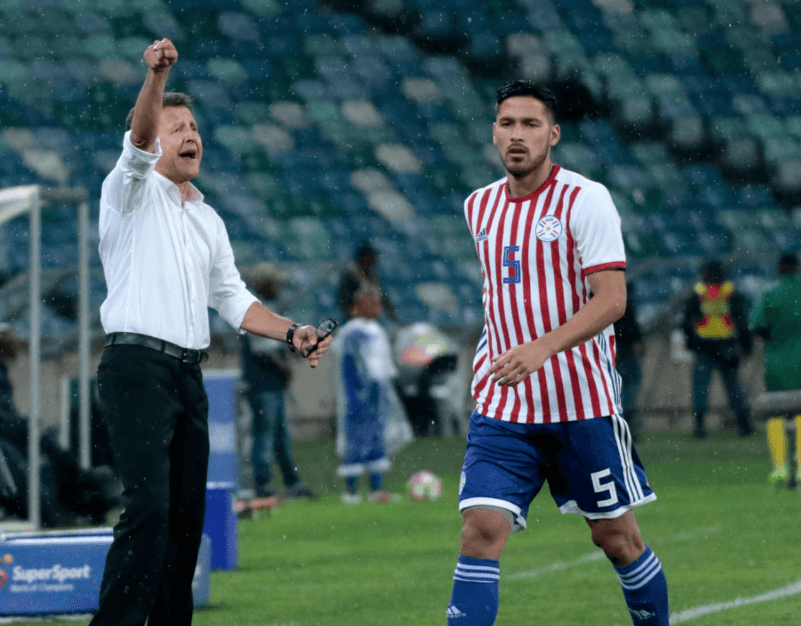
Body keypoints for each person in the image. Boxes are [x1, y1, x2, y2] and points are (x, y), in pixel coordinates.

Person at [92, 39, 332, 626]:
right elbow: (138, 142)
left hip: (187, 375)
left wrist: (292, 332)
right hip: (135, 369)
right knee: (148, 510)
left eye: (194, 126)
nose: (190, 134)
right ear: (152, 139)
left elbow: (232, 298)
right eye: (176, 127)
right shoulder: (126, 190)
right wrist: (157, 76)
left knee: (184, 520)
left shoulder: (207, 217)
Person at [446, 81, 668, 626]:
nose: (517, 135)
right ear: (493, 132)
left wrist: (543, 346)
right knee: (480, 530)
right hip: (505, 406)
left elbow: (612, 300)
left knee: (616, 538)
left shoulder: (585, 199)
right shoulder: (478, 206)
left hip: (581, 404)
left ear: (554, 134)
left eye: (530, 124)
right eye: (507, 124)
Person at [0, 323, 118, 527]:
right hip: (6, 433)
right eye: (12, 343)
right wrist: (28, 426)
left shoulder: (3, 369)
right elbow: (5, 417)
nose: (16, 349)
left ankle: (74, 489)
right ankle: (70, 492)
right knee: (38, 442)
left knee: (42, 443)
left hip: (9, 431)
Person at [241, 262, 314, 499]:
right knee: (265, 436)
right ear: (264, 285)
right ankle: (262, 485)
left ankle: (290, 482)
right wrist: (286, 367)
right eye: (275, 284)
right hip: (263, 385)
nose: (279, 288)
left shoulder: (264, 310)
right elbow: (264, 350)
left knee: (279, 436)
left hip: (270, 385)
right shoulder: (256, 312)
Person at [333, 291, 411, 504]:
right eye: (372, 303)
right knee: (355, 439)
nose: (377, 308)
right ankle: (351, 490)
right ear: (358, 306)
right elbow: (349, 366)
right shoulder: (351, 332)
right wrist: (356, 393)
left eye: (378, 303)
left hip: (378, 394)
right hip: (358, 395)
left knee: (377, 437)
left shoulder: (376, 330)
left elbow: (382, 366)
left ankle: (377, 488)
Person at [681, 259, 753, 438]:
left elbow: (687, 320)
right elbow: (741, 320)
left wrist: (690, 343)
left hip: (703, 345)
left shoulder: (698, 292)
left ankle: (699, 427)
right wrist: (746, 347)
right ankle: (743, 425)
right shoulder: (731, 291)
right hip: (727, 344)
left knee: (700, 387)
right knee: (734, 387)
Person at [750, 253, 801, 486]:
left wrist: (775, 336)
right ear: (796, 268)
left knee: (776, 412)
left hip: (777, 361)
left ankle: (780, 468)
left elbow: (757, 325)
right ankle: (800, 468)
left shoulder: (769, 292)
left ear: (779, 268)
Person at [614, 283, 646, 441]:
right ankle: (629, 427)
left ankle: (621, 427)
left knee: (619, 392)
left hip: (613, 351)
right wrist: (637, 340)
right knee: (630, 390)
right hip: (624, 351)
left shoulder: (605, 300)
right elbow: (631, 327)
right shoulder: (624, 304)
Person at [337, 241, 397, 321]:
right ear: (362, 259)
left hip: (371, 321)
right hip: (355, 320)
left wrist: (396, 320)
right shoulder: (350, 277)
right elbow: (343, 302)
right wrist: (352, 317)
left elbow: (385, 300)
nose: (373, 264)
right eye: (371, 260)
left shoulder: (373, 277)